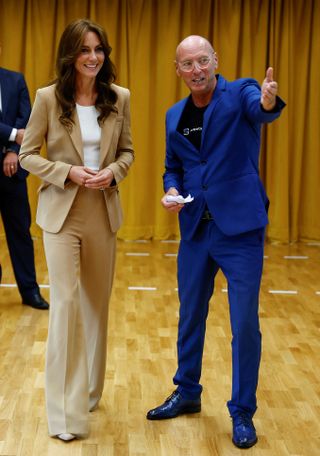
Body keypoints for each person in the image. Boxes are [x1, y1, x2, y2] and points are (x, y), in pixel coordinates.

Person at [146, 35, 285, 449]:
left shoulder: (240, 91)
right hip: (195, 230)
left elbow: (260, 111)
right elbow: (174, 166)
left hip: (239, 230)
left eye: (202, 61)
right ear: (178, 70)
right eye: (187, 64)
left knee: (243, 324)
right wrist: (171, 190)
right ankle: (187, 391)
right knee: (190, 315)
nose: (196, 70)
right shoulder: (174, 115)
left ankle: (242, 411)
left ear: (215, 60)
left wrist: (266, 101)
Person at [19, 19, 134, 441]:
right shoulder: (48, 98)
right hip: (61, 216)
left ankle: (87, 392)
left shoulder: (119, 98)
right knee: (65, 307)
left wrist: (113, 174)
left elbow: (127, 152)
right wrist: (68, 171)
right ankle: (64, 415)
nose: (93, 57)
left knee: (95, 307)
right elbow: (28, 154)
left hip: (102, 214)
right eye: (85, 49)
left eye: (98, 49)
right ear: (71, 55)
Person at [0, 44, 49, 310]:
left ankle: (30, 292)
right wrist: (11, 135)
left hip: (11, 171)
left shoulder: (15, 79)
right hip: (9, 154)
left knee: (21, 233)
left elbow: (27, 121)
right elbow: (16, 129)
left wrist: (12, 151)